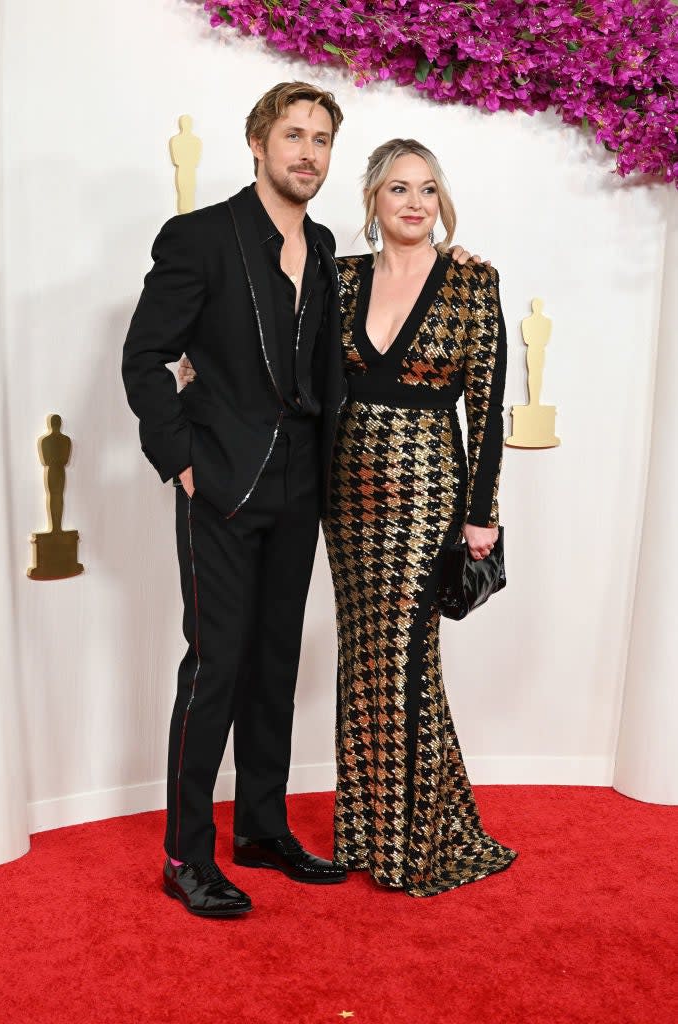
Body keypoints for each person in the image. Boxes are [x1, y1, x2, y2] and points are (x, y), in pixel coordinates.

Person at [122, 82, 349, 918]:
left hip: (301, 485)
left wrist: (452, 258)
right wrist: (180, 459)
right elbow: (145, 357)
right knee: (215, 665)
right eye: (292, 135)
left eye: (321, 140)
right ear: (257, 142)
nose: (307, 153)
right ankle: (186, 854)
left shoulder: (323, 245)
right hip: (221, 481)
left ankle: (260, 827)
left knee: (274, 665)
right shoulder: (200, 237)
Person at [324, 139, 517, 896]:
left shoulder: (471, 281)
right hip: (344, 495)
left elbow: (488, 408)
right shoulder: (339, 279)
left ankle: (413, 847)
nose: (414, 202)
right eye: (398, 188)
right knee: (363, 659)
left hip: (427, 490)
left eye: (428, 190)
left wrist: (481, 515)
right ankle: (368, 833)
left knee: (404, 657)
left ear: (440, 201)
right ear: (373, 199)